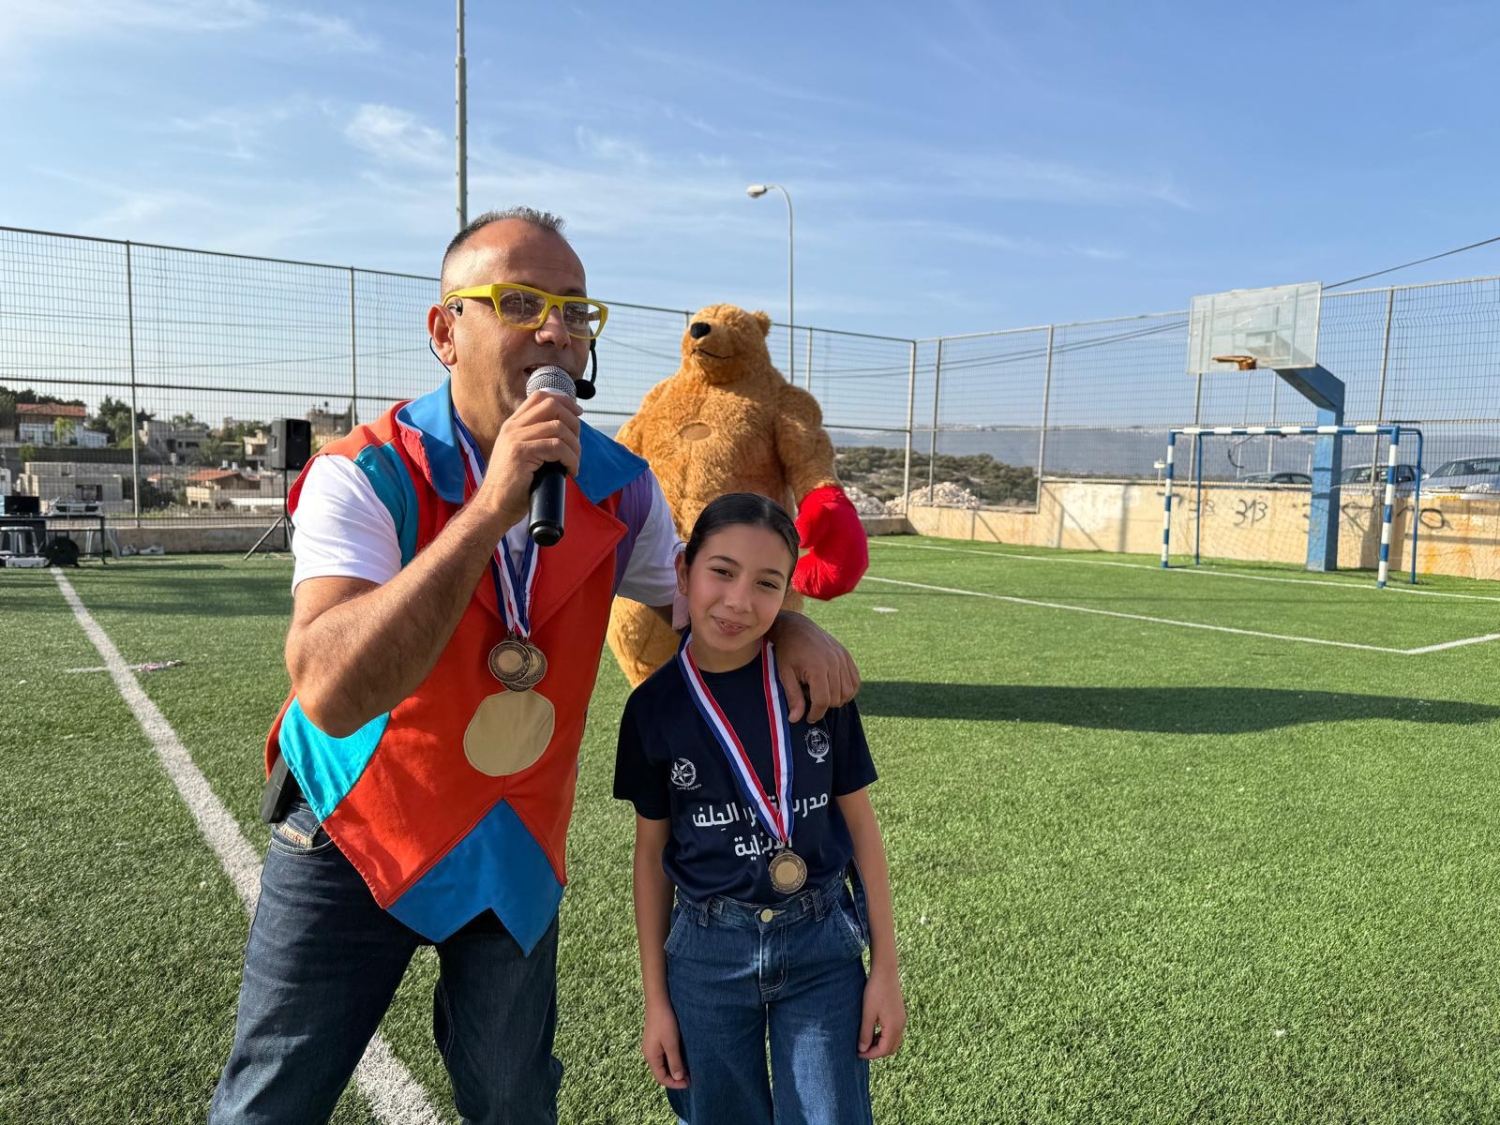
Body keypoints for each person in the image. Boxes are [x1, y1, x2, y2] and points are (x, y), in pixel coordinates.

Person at [209, 209, 860, 1124]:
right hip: (355, 824)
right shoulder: (364, 472)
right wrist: (489, 509)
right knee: (273, 1098)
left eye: (574, 309)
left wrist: (784, 624)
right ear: (445, 332)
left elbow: (700, 604)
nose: (556, 329)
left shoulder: (620, 486)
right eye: (519, 302)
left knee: (514, 1100)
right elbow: (332, 691)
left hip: (512, 835)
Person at [614, 493, 904, 1125]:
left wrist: (885, 968)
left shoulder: (817, 685)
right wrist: (656, 999)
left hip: (822, 947)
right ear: (684, 571)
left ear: (787, 593)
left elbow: (862, 829)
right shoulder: (652, 709)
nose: (740, 600)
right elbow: (651, 855)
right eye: (722, 571)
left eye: (767, 583)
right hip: (706, 953)